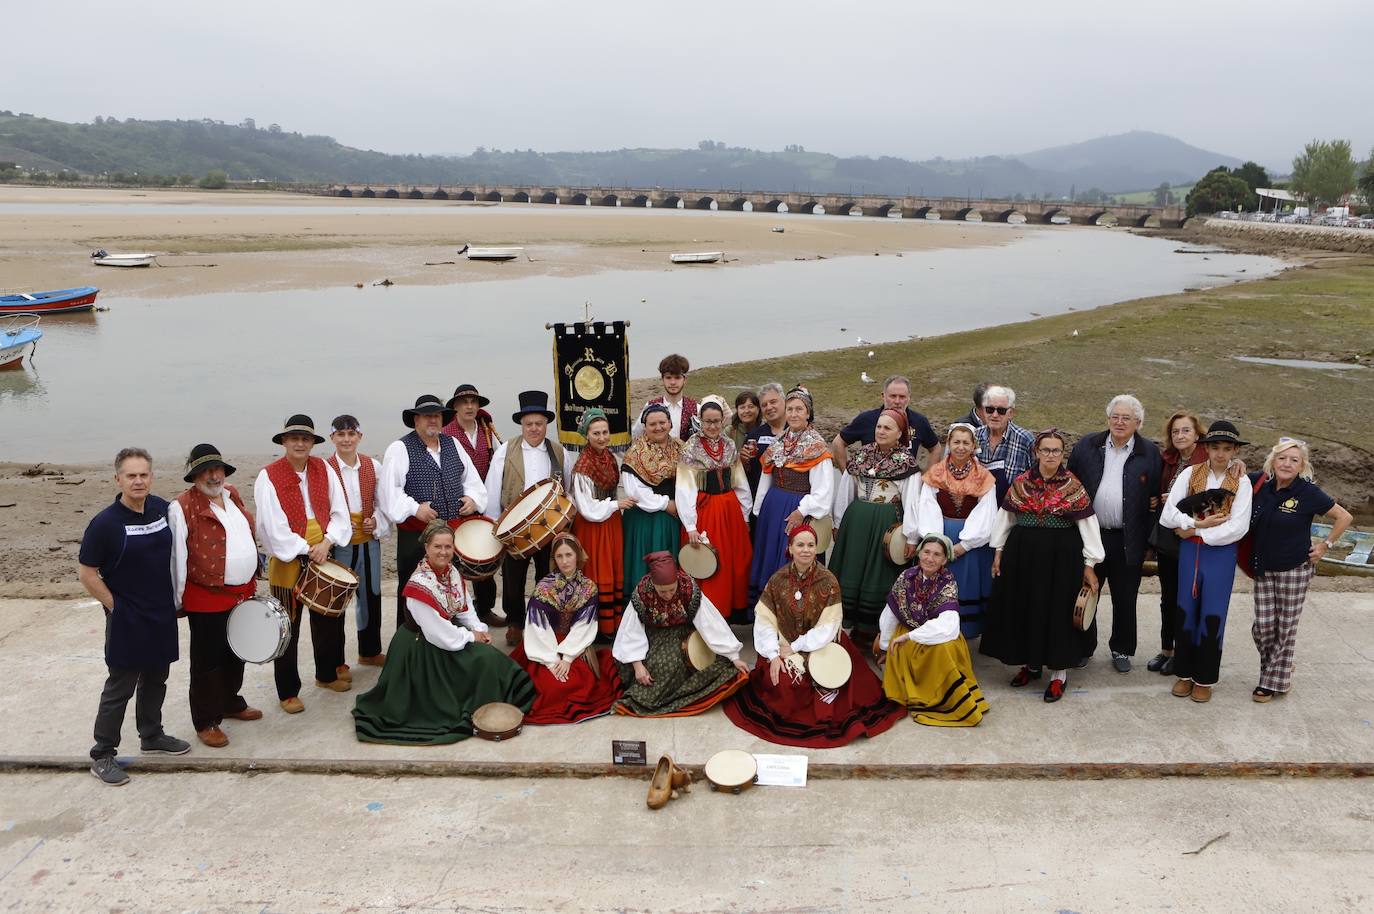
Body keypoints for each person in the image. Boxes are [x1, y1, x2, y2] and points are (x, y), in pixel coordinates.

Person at [352, 521, 535, 744]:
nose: (444, 552)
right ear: (426, 548)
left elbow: (465, 607)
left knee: (491, 657)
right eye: (438, 546)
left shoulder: (452, 573)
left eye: (448, 547)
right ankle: (476, 704)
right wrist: (470, 637)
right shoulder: (419, 584)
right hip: (420, 648)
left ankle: (502, 700)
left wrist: (478, 628)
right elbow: (438, 633)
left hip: (447, 636)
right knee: (481, 660)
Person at [725, 525, 904, 747]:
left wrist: (799, 645)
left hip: (822, 643)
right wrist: (772, 655)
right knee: (783, 683)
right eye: (799, 545)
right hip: (782, 645)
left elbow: (829, 626)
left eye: (810, 545)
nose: (806, 550)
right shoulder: (777, 580)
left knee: (833, 685)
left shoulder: (828, 581)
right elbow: (764, 620)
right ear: (790, 548)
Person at [81, 448, 191, 785]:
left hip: (160, 612)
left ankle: (151, 734)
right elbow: (87, 574)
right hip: (128, 616)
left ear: (151, 477)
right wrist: (116, 607)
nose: (138, 481)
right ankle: (102, 754)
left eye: (144, 474)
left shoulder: (161, 509)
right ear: (118, 479)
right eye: (131, 475)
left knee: (157, 678)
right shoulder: (104, 524)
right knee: (120, 687)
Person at [980, 429, 1104, 703]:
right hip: (1022, 553)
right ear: (1036, 452)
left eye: (1056, 451)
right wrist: (998, 551)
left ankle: (1059, 674)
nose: (1050, 455)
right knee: (1026, 606)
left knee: (1057, 610)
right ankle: (1031, 665)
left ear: (1063, 454)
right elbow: (1006, 518)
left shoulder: (1073, 486)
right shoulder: (1021, 483)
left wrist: (1090, 563)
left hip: (1063, 556)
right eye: (1045, 450)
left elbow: (1088, 525)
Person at [254, 415, 353, 712]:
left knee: (327, 619)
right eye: (294, 438)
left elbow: (340, 511)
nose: (300, 443)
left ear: (312, 442)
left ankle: (325, 675)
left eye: (306, 439)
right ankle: (287, 691)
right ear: (284, 441)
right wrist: (305, 548)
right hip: (288, 560)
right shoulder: (267, 476)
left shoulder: (324, 469)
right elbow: (271, 527)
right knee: (288, 627)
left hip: (322, 550)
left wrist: (327, 542)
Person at [168, 443, 260, 749]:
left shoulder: (232, 494)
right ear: (194, 476)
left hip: (241, 593)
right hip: (205, 596)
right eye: (204, 471)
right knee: (207, 662)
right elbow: (177, 557)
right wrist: (178, 601)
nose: (212, 476)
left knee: (236, 651)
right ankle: (206, 721)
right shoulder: (181, 507)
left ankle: (230, 702)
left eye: (217, 469)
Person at [1246, 438, 1352, 702]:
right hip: (1263, 568)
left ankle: (1270, 682)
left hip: (1295, 568)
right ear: (1273, 461)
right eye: (1282, 458)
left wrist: (1325, 545)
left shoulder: (1308, 492)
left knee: (1286, 628)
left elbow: (1344, 517)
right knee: (1263, 628)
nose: (1287, 463)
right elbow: (1231, 477)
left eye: (1294, 460)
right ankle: (1282, 666)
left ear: (1302, 465)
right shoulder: (1261, 485)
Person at [1159, 420, 1254, 703]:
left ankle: (1205, 678)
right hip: (1190, 552)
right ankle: (1184, 674)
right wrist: (1193, 524)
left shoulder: (1242, 481)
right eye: (1215, 447)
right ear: (1207, 448)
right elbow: (1168, 515)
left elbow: (1239, 526)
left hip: (1220, 554)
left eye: (1227, 448)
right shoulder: (1190, 474)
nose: (1221, 454)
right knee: (1186, 609)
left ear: (1235, 450)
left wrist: (1197, 530)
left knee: (1213, 614)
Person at [1067, 395, 1163, 673]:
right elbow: (1069, 483)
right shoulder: (1088, 445)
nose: (1120, 422)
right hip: (1090, 536)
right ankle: (1083, 647)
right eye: (1115, 417)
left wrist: (1147, 537)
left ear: (1138, 423)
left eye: (1126, 418)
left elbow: (1155, 494)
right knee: (1086, 593)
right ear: (1108, 419)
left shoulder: (1149, 453)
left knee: (1125, 596)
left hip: (1127, 538)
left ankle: (1122, 649)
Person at [380, 395, 486, 634]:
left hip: (451, 535)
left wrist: (473, 499)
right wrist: (414, 508)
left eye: (436, 415)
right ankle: (410, 642)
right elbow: (389, 492)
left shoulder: (452, 444)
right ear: (416, 419)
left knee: (451, 587)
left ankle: (454, 639)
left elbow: (471, 481)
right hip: (415, 536)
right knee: (413, 589)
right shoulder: (400, 448)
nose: (432, 420)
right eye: (427, 415)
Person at [613, 551, 749, 717]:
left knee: (719, 663)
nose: (669, 595)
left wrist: (733, 656)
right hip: (654, 636)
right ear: (653, 584)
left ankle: (685, 694)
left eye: (671, 589)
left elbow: (710, 623)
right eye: (662, 592)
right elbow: (631, 632)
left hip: (685, 632)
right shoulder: (642, 593)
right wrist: (637, 665)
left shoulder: (688, 588)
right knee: (659, 668)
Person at [830, 408, 922, 646]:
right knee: (852, 569)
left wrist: (911, 536)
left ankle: (876, 631)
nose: (881, 431)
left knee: (878, 573)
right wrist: (839, 521)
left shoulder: (906, 464)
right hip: (857, 523)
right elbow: (846, 489)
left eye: (888, 428)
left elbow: (912, 501)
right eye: (879, 426)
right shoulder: (861, 456)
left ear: (899, 433)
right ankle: (847, 627)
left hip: (886, 525)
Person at [878, 533, 990, 727]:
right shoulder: (906, 576)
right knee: (903, 651)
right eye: (926, 552)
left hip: (935, 633)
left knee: (944, 651)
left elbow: (948, 626)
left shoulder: (947, 582)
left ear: (945, 559)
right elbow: (891, 612)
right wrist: (885, 645)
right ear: (919, 553)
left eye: (937, 554)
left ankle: (943, 699)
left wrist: (911, 636)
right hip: (909, 627)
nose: (930, 558)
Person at [510, 533, 624, 723]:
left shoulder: (588, 587)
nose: (564, 561)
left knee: (578, 683)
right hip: (545, 644)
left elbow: (585, 626)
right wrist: (551, 661)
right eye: (559, 556)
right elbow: (537, 627)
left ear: (578, 555)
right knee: (550, 686)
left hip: (574, 644)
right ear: (554, 559)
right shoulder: (544, 587)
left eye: (569, 555)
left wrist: (568, 658)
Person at [485, 390, 569, 646]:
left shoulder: (559, 452)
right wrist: (495, 527)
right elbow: (492, 489)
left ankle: (543, 620)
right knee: (513, 579)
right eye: (529, 424)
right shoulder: (505, 451)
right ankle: (515, 622)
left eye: (539, 424)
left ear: (546, 425)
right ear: (522, 424)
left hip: (548, 529)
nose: (534, 429)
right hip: (514, 531)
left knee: (547, 577)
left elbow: (568, 487)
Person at [749, 386, 835, 604]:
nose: (794, 414)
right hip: (773, 508)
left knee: (794, 560)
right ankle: (770, 608)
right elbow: (767, 476)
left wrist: (801, 511)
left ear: (808, 413)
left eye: (799, 409)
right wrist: (759, 511)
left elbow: (823, 491)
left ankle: (795, 610)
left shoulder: (816, 447)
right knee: (770, 560)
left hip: (796, 510)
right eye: (790, 409)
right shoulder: (780, 442)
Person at [917, 423, 998, 638]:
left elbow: (986, 514)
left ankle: (964, 633)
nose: (961, 447)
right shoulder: (936, 473)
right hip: (941, 537)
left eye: (966, 442)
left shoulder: (984, 477)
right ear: (949, 444)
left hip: (971, 544)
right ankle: (936, 631)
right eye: (956, 442)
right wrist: (935, 543)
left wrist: (964, 545)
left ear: (973, 446)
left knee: (966, 585)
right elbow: (927, 506)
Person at [676, 396, 753, 622]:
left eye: (716, 421)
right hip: (706, 512)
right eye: (708, 421)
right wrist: (690, 524)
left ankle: (729, 610)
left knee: (733, 560)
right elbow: (684, 488)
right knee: (709, 561)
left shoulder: (729, 445)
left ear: (722, 421)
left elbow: (740, 482)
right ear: (700, 420)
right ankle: (707, 614)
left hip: (729, 511)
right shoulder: (691, 448)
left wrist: (745, 514)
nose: (712, 426)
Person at [326, 415, 391, 668]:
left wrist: (375, 520)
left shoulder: (373, 466)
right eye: (340, 434)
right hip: (339, 545)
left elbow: (382, 502)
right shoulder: (324, 468)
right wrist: (339, 525)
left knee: (371, 596)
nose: (346, 439)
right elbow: (321, 506)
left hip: (368, 541)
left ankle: (370, 650)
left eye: (351, 434)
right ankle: (335, 662)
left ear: (359, 437)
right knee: (337, 601)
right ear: (332, 438)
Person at [1146, 411, 1207, 675]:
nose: (1180, 436)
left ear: (1197, 434)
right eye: (1175, 432)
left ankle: (1184, 652)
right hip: (1167, 537)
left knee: (1187, 597)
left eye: (1185, 431)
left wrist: (1178, 498)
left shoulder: (1206, 461)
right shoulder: (1168, 459)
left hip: (1192, 538)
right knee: (1168, 596)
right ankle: (1166, 649)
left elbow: (1213, 496)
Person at [442, 383, 505, 627]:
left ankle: (485, 608)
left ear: (478, 406)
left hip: (483, 501)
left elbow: (497, 463)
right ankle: (456, 612)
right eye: (464, 402)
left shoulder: (487, 431)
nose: (469, 406)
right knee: (454, 560)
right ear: (455, 406)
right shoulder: (446, 435)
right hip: (457, 504)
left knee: (483, 556)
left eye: (473, 402)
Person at [569, 408, 631, 642]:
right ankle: (596, 628)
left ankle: (611, 624)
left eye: (605, 432)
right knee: (597, 571)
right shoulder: (583, 467)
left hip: (612, 522)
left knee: (613, 569)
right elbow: (587, 508)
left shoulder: (610, 458)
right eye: (596, 433)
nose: (603, 437)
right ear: (586, 435)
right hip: (593, 527)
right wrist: (617, 505)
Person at [619, 404, 684, 597]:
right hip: (645, 519)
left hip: (675, 516)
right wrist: (666, 504)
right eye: (652, 424)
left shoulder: (681, 447)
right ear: (644, 426)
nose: (658, 427)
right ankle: (643, 608)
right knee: (647, 564)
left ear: (670, 424)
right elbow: (635, 492)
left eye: (662, 422)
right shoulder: (636, 453)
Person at [829, 375, 939, 470]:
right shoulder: (866, 419)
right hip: (869, 485)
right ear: (883, 396)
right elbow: (838, 443)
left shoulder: (919, 421)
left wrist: (927, 477)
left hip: (906, 486)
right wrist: (847, 475)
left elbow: (935, 448)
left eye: (902, 397)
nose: (897, 401)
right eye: (893, 396)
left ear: (909, 398)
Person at [975, 385, 1035, 504]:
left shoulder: (1025, 440)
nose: (995, 415)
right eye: (990, 409)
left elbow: (1037, 482)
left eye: (1001, 411)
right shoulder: (974, 437)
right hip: (978, 513)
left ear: (1011, 413)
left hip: (1011, 514)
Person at [632, 353, 697, 440]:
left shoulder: (696, 408)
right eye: (668, 377)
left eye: (677, 377)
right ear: (662, 379)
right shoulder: (650, 406)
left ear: (684, 380)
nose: (673, 382)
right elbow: (635, 435)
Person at [740, 382, 786, 496]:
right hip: (760, 499)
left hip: (791, 499)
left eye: (773, 402)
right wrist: (743, 461)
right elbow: (746, 474)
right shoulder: (754, 436)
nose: (769, 407)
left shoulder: (797, 432)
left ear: (784, 401)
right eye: (764, 405)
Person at [729, 390, 762, 455]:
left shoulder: (766, 429)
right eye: (742, 407)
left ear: (758, 408)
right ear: (737, 410)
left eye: (751, 407)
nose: (746, 411)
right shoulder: (730, 431)